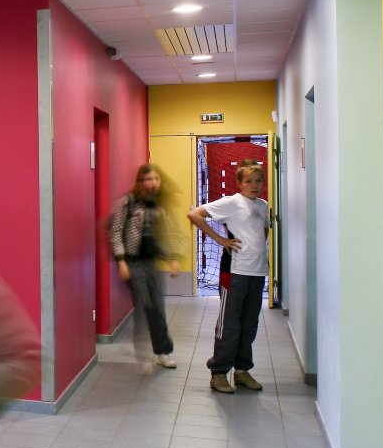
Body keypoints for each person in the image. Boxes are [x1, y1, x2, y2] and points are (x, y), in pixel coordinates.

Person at [188, 160, 269, 394]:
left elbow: (263, 228)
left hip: (257, 271)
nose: (254, 186)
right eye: (248, 181)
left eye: (258, 181)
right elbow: (194, 214)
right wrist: (221, 240)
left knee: (249, 324)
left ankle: (242, 371)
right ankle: (219, 373)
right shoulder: (232, 203)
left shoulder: (262, 205)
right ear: (239, 183)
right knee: (229, 323)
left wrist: (259, 249)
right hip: (234, 272)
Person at [108, 164, 182, 368]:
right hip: (133, 262)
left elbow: (164, 234)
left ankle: (162, 352)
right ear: (140, 181)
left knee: (157, 307)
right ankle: (142, 353)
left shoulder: (159, 203)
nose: (153, 183)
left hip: (152, 262)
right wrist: (121, 260)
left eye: (156, 179)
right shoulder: (128, 201)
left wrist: (171, 258)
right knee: (145, 306)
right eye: (148, 179)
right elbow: (115, 232)